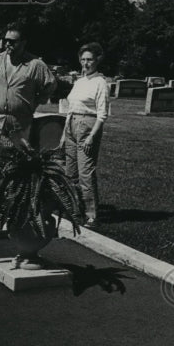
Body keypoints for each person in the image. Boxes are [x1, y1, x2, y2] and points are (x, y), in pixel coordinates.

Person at [0, 25, 56, 193]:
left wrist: (35, 102)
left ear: (23, 43)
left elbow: (50, 84)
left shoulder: (35, 65)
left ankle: (11, 202)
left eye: (13, 41)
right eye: (6, 40)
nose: (8, 44)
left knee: (17, 166)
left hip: (20, 125)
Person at [62, 42, 109, 227]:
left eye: (89, 59)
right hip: (71, 126)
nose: (86, 63)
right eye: (83, 60)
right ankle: (74, 209)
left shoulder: (101, 83)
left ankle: (91, 215)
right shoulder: (80, 81)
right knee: (70, 172)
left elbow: (102, 114)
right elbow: (71, 108)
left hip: (88, 127)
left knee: (85, 173)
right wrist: (63, 133)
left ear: (97, 60)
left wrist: (91, 136)